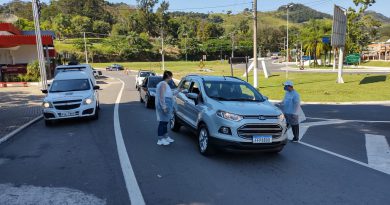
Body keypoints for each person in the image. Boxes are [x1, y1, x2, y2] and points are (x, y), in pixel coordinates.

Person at [155, 71, 176, 146]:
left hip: (167, 104)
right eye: (171, 76)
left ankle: (165, 137)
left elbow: (169, 94)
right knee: (162, 122)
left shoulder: (165, 84)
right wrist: (164, 107)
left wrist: (179, 91)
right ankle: (160, 139)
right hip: (164, 105)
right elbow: (161, 96)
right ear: (169, 76)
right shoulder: (163, 84)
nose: (171, 78)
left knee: (165, 122)